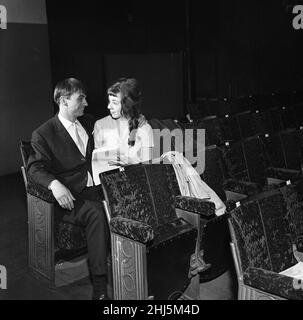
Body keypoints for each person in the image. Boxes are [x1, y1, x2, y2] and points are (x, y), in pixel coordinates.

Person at [27, 78, 110, 300]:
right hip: (71, 199)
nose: (86, 102)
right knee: (96, 212)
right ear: (64, 101)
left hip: (97, 188)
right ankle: (100, 289)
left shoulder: (90, 122)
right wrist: (55, 185)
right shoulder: (44, 133)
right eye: (80, 98)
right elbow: (34, 168)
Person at [93, 78, 154, 170]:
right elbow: (97, 162)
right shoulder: (100, 125)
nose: (109, 106)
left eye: (115, 103)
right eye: (109, 102)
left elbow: (148, 165)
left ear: (127, 104)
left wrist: (131, 162)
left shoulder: (144, 128)